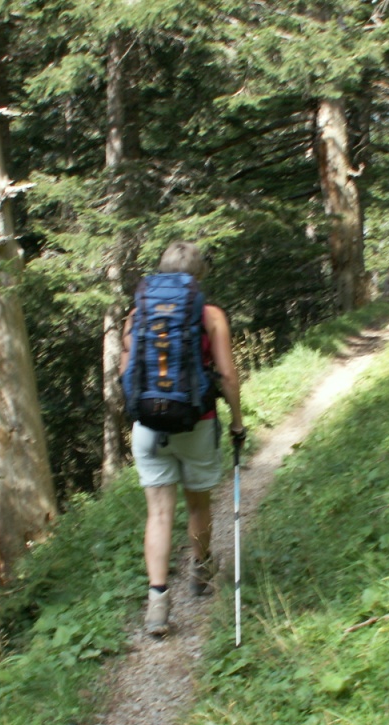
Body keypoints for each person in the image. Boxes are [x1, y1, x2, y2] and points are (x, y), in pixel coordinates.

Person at [119, 241, 246, 636]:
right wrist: (237, 422)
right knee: (197, 505)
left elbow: (127, 375)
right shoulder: (210, 315)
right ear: (199, 275)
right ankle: (201, 569)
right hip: (197, 422)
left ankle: (157, 602)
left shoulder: (136, 314)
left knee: (158, 513)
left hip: (148, 428)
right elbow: (226, 375)